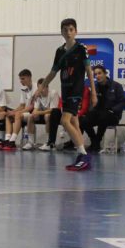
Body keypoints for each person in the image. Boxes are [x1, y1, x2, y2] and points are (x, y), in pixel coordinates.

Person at [41, 19, 97, 171]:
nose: (68, 32)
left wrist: (93, 93)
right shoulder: (59, 51)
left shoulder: (81, 48)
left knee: (65, 121)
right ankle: (81, 155)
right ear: (61, 32)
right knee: (75, 123)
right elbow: (53, 72)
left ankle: (84, 155)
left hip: (76, 91)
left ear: (76, 31)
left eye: (71, 29)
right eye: (65, 30)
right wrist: (41, 87)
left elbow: (89, 71)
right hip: (65, 90)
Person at [81, 65, 125, 153]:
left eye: (99, 73)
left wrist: (113, 110)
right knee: (83, 120)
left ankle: (97, 141)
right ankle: (94, 140)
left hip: (112, 115)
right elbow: (92, 104)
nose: (97, 76)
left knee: (104, 116)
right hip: (98, 114)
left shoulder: (116, 86)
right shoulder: (95, 87)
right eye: (95, 74)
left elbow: (123, 102)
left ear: (105, 73)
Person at [25, 78, 61, 151]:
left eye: (43, 88)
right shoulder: (38, 95)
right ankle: (30, 142)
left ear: (47, 87)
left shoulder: (53, 93)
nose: (41, 90)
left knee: (47, 116)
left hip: (56, 116)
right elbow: (35, 109)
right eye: (39, 88)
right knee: (30, 116)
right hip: (43, 114)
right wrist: (35, 112)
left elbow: (52, 110)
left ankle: (49, 141)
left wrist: (38, 112)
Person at [4, 69, 35, 150]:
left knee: (17, 114)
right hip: (25, 112)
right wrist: (13, 112)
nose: (21, 81)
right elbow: (22, 105)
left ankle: (12, 141)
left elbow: (32, 106)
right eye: (20, 79)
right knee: (8, 115)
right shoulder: (23, 88)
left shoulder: (35, 88)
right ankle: (7, 139)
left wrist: (17, 112)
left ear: (29, 77)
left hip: (34, 112)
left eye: (23, 79)